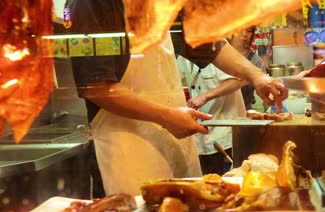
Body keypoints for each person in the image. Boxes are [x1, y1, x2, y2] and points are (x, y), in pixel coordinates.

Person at [67, 0, 288, 196]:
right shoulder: (89, 4)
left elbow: (208, 44)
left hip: (173, 143)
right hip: (127, 151)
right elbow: (95, 88)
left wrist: (257, 75)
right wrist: (165, 116)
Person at [177, 56, 247, 175]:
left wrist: (205, 96)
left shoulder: (218, 49)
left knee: (228, 182)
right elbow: (176, 79)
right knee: (208, 183)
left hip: (226, 134)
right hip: (203, 133)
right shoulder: (185, 54)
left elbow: (241, 78)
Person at [228, 26, 266, 110]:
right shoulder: (216, 55)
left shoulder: (255, 61)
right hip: (214, 112)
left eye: (249, 31)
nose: (245, 34)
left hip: (244, 114)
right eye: (240, 30)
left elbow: (264, 89)